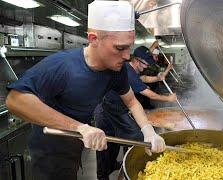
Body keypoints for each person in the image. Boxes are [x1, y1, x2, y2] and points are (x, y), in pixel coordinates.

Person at [5, 1, 165, 180]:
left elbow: (132, 101)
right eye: (120, 48)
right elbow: (14, 100)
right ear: (93, 39)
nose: (127, 55)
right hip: (50, 148)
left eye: (129, 46)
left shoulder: (116, 69)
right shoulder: (63, 66)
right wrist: (79, 127)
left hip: (76, 141)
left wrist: (147, 130)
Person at [95, 46, 176, 180]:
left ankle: (113, 164)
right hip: (107, 110)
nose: (146, 67)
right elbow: (149, 94)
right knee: (105, 144)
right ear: (136, 61)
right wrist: (168, 98)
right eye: (145, 64)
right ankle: (102, 176)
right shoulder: (128, 71)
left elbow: (143, 79)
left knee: (115, 142)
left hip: (118, 109)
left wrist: (157, 78)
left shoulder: (132, 69)